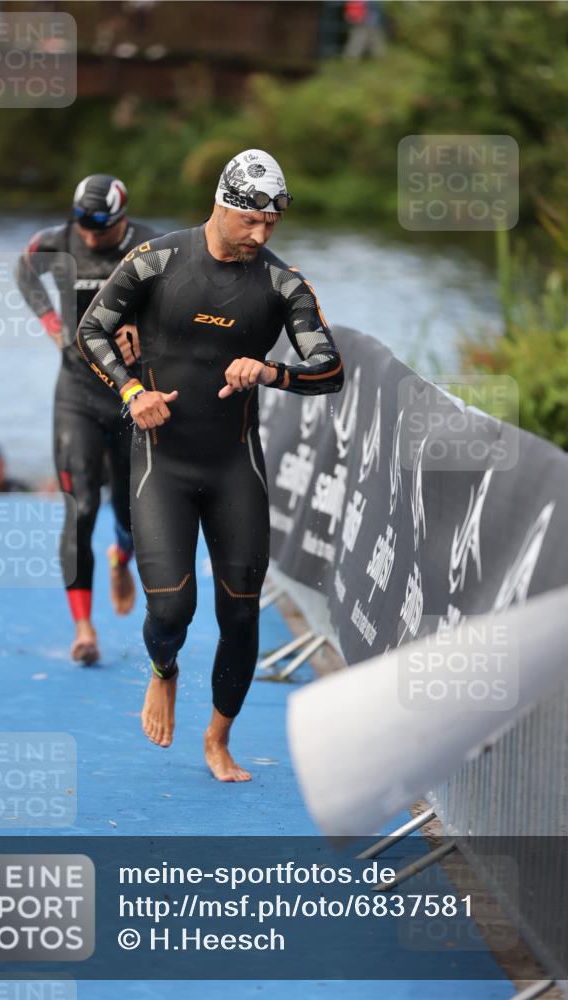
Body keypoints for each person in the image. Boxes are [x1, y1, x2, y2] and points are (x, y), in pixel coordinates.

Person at [78, 149, 344, 781]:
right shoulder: (154, 261)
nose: (261, 235)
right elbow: (91, 331)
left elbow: (329, 367)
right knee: (170, 612)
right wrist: (132, 392)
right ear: (223, 203)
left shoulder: (282, 284)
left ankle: (219, 738)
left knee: (241, 612)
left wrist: (272, 370)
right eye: (251, 221)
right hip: (162, 464)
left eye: (272, 225)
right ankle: (164, 672)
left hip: (234, 468)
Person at [16, 174, 159, 665]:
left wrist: (146, 328)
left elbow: (182, 302)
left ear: (122, 218)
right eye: (85, 227)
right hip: (76, 391)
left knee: (127, 511)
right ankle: (84, 628)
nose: (92, 237)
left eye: (102, 229)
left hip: (128, 394)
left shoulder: (151, 245)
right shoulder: (57, 241)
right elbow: (23, 269)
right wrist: (53, 325)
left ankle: (122, 557)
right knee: (79, 508)